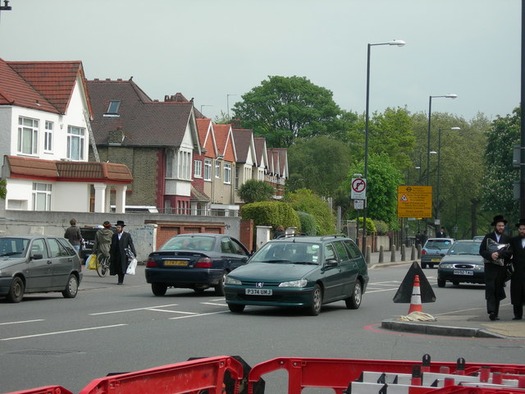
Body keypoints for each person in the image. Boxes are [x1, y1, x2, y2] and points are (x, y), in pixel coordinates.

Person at [479, 215, 511, 321]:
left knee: (498, 289)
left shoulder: (507, 238)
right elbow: (482, 250)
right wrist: (491, 255)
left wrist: (500, 254)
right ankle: (491, 311)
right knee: (490, 288)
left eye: (502, 226)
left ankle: (495, 313)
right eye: (499, 225)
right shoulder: (488, 237)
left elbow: (510, 252)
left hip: (501, 269)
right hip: (490, 268)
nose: (501, 227)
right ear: (495, 226)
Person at [109, 220, 136, 285]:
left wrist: (134, 253)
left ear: (122, 228)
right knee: (117, 266)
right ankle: (119, 278)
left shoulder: (127, 235)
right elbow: (112, 245)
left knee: (122, 267)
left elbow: (131, 244)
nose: (117, 229)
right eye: (117, 227)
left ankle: (121, 280)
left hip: (123, 254)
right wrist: (110, 253)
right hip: (116, 254)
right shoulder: (114, 235)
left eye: (119, 227)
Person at [508, 219, 525, 320]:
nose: (522, 231)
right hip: (517, 271)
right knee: (517, 293)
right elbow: (509, 253)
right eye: (521, 229)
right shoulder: (514, 240)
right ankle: (517, 315)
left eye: (524, 229)